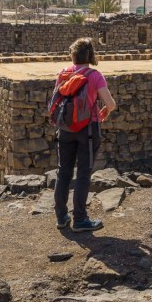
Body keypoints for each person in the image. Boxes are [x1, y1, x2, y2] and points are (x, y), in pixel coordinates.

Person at [52, 37, 117, 232]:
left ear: (73, 55)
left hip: (64, 129)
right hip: (88, 130)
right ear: (90, 55)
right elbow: (111, 103)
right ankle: (80, 219)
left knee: (63, 171)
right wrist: (106, 110)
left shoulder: (63, 74)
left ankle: (61, 217)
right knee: (83, 173)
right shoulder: (94, 75)